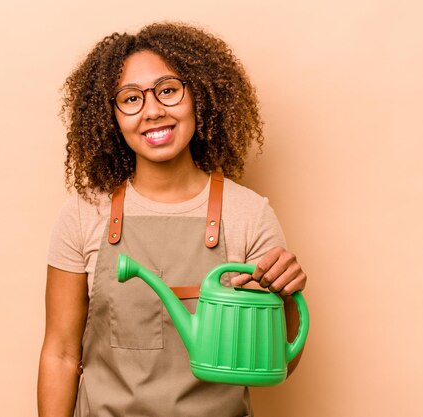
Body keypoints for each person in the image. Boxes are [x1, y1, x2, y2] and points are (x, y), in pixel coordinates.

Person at [38, 22, 308, 417]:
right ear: (110, 116)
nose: (152, 111)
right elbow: (61, 354)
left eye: (167, 90)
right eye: (130, 99)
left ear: (198, 95)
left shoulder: (249, 215)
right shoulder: (84, 213)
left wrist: (283, 297)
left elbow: (274, 365)